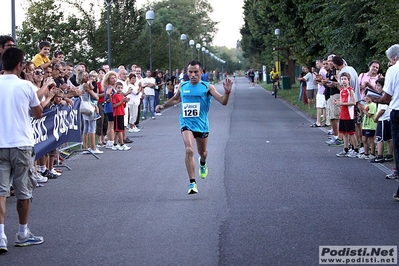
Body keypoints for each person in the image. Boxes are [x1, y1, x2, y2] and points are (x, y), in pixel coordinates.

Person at [156, 60, 233, 195]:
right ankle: (192, 183)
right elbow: (175, 99)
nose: (193, 75)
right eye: (190, 72)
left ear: (201, 73)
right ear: (187, 73)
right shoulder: (183, 85)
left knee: (202, 153)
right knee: (189, 149)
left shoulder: (207, 87)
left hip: (202, 125)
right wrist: (163, 106)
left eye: (195, 72)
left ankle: (202, 162)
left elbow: (223, 101)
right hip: (186, 123)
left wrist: (227, 93)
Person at [0, 47, 44, 253]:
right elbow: (37, 113)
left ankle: (1, 235)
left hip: (0, 143)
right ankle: (22, 232)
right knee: (23, 190)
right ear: (19, 65)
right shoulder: (26, 86)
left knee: (1, 191)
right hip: (21, 143)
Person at [370, 44, 399, 198]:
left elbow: (387, 97)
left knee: (398, 146)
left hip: (397, 111)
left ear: (393, 58)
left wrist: (376, 98)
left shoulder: (393, 70)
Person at [77, 70, 103, 154]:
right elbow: (95, 96)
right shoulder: (85, 85)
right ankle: (93, 147)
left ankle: (85, 147)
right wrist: (96, 96)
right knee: (92, 127)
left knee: (86, 128)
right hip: (90, 106)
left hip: (84, 107)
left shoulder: (80, 86)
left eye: (87, 75)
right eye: (84, 75)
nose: (87, 76)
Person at [335, 72, 359, 158]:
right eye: (342, 79)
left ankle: (356, 149)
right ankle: (345, 148)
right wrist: (338, 103)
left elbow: (353, 102)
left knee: (351, 132)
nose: (343, 81)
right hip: (343, 114)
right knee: (344, 132)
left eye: (345, 79)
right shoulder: (341, 91)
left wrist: (342, 103)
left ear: (349, 80)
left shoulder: (350, 90)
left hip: (349, 114)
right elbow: (341, 102)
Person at [371, 78, 393, 163]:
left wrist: (376, 118)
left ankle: (380, 155)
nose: (377, 87)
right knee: (388, 138)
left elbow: (382, 109)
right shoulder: (383, 95)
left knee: (380, 138)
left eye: (379, 86)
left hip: (383, 119)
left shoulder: (384, 96)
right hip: (386, 119)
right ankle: (389, 155)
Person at [112, 82, 131, 151]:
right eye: (118, 88)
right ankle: (122, 144)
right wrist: (121, 101)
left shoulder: (121, 96)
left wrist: (125, 101)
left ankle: (115, 144)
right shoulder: (115, 96)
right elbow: (114, 105)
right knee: (119, 130)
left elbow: (123, 105)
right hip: (117, 114)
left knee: (119, 129)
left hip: (121, 113)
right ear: (115, 88)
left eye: (121, 88)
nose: (120, 89)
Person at [357, 94, 376, 160]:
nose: (367, 98)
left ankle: (372, 153)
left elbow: (369, 115)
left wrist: (363, 110)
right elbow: (362, 115)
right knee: (364, 139)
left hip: (370, 125)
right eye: (366, 97)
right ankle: (366, 153)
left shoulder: (372, 105)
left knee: (371, 140)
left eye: (369, 97)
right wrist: (360, 109)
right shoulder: (366, 105)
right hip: (365, 125)